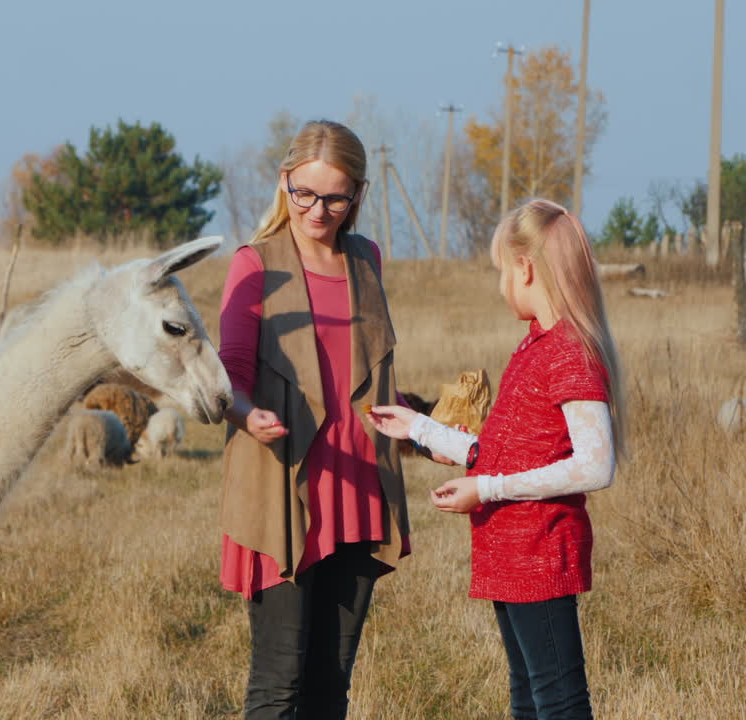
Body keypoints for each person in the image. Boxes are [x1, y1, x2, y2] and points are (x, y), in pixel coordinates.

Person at [368, 198, 625, 720]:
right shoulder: (534, 347)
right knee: (528, 695)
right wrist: (421, 428)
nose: (500, 284)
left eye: (501, 271)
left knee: (558, 700)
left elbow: (596, 465)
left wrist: (485, 490)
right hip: (512, 554)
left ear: (526, 268)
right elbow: (506, 452)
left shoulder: (570, 352)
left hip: (541, 551)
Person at [219, 119, 410, 720]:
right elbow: (231, 373)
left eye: (334, 197)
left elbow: (373, 376)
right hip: (283, 490)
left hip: (358, 494)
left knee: (330, 691)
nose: (318, 210)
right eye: (305, 193)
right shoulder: (254, 265)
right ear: (284, 183)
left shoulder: (368, 260)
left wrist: (426, 425)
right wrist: (248, 417)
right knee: (279, 689)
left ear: (358, 194)